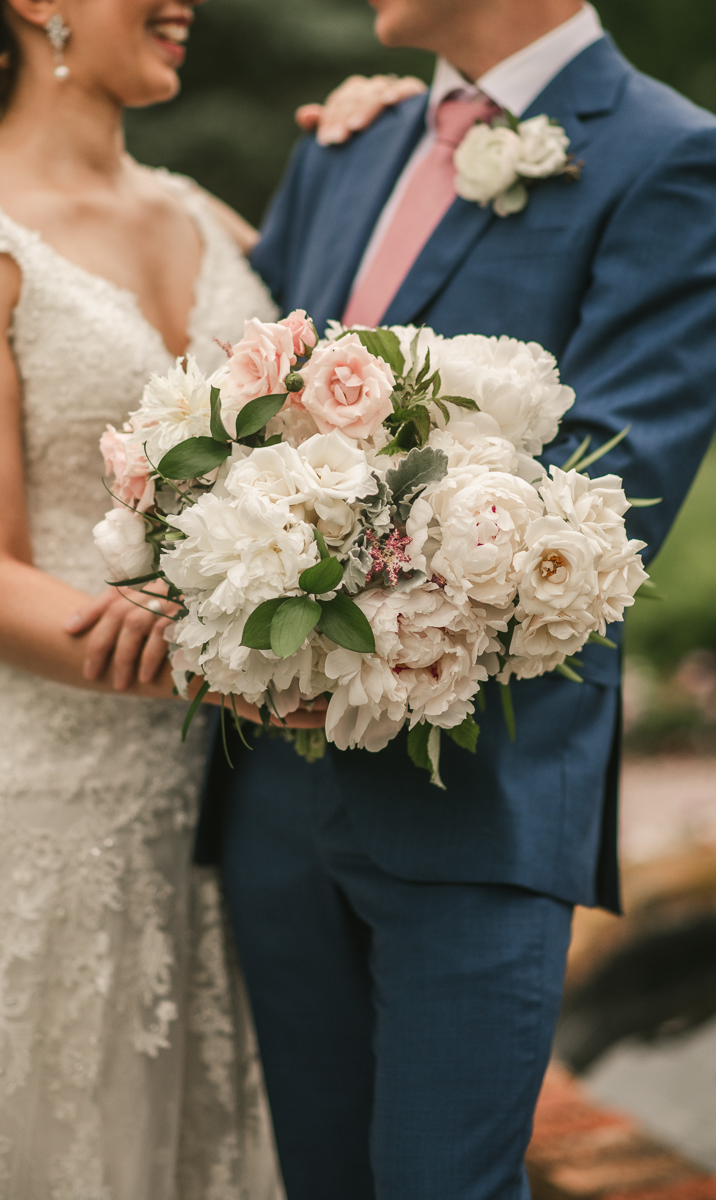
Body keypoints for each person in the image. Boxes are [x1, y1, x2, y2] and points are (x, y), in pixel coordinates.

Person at [195, 2, 716, 1198]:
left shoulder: (666, 156)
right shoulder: (348, 146)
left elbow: (603, 498)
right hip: (275, 801)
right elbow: (235, 389)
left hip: (477, 792)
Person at [0, 0, 404, 1191]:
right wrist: (244, 668)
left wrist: (382, 130)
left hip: (217, 808)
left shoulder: (198, 210)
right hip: (27, 791)